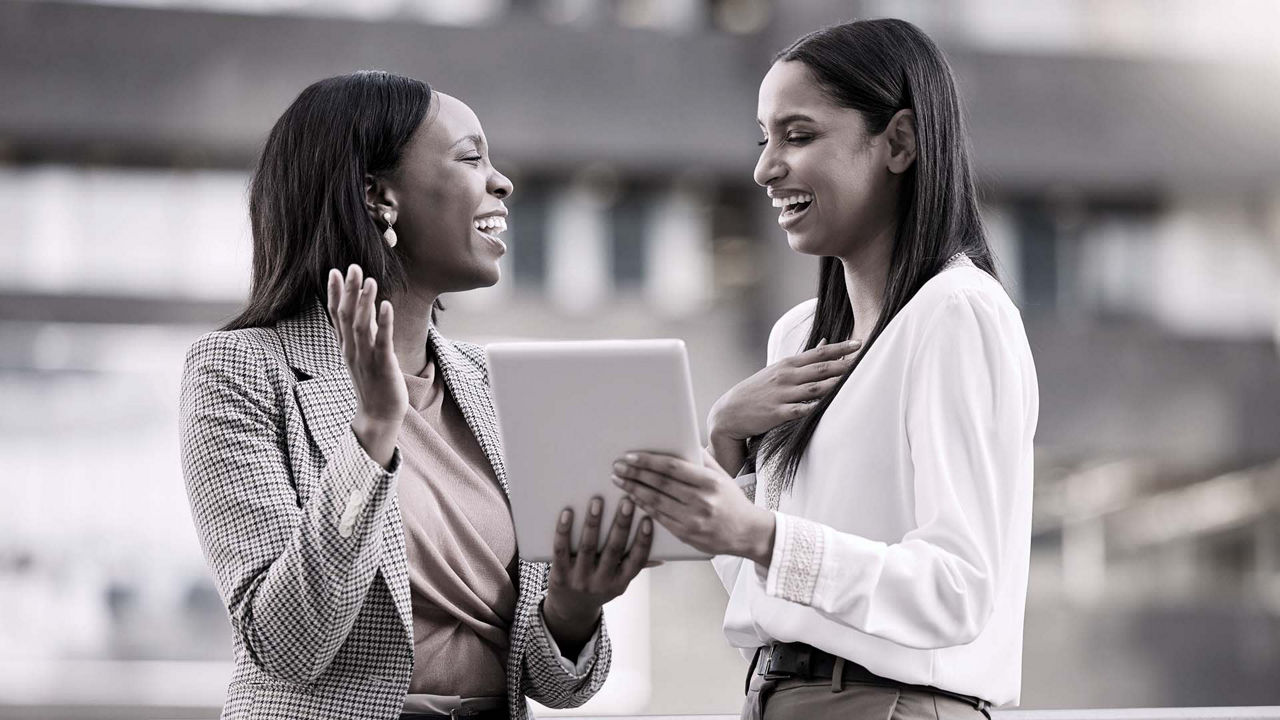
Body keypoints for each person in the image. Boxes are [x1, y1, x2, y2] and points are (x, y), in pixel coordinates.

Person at [179, 71, 653, 720]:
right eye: (470, 157)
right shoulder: (240, 371)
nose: (502, 181)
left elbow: (557, 685)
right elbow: (288, 645)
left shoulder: (495, 387)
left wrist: (574, 607)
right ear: (378, 195)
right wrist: (372, 431)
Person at [610, 19, 1038, 720]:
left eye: (798, 135)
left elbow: (957, 589)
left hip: (893, 706)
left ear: (898, 142)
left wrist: (759, 534)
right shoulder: (799, 338)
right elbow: (766, 589)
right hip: (779, 696)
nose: (765, 168)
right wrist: (722, 440)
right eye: (764, 138)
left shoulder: (956, 314)